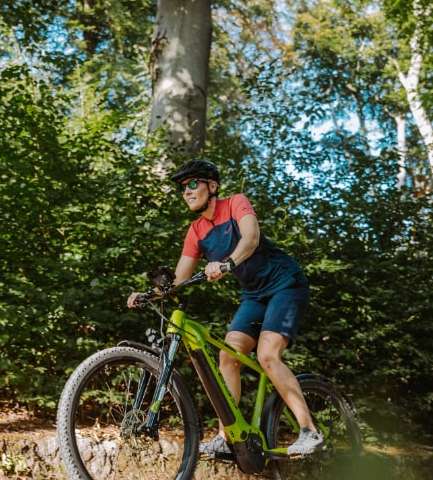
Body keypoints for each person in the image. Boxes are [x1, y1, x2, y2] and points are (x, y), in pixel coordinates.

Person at [127, 158, 325, 458]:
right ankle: (227, 437)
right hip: (254, 295)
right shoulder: (196, 230)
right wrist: (149, 295)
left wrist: (228, 263)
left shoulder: (236, 203)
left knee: (268, 356)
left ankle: (311, 431)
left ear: (212, 186)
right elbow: (178, 279)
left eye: (193, 184)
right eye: (183, 188)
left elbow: (251, 237)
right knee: (228, 355)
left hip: (285, 284)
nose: (187, 192)